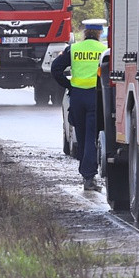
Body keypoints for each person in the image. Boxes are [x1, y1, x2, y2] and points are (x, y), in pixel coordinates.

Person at [51, 19, 108, 191]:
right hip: (95, 96)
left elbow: (56, 69)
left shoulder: (74, 49)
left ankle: (86, 173)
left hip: (77, 97)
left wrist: (68, 85)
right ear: (99, 33)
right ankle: (88, 177)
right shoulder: (104, 50)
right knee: (92, 137)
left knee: (82, 136)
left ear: (85, 32)